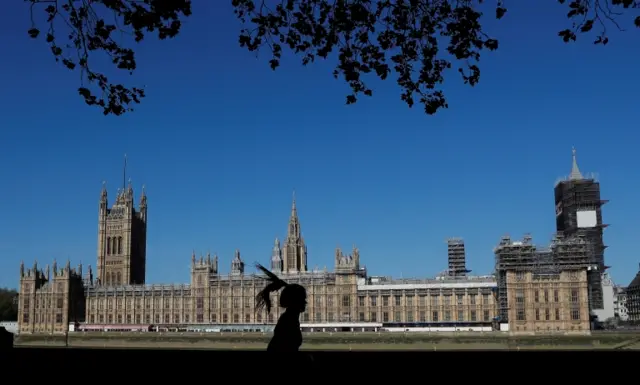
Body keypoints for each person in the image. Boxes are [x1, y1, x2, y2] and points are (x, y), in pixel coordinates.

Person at [255, 263, 307, 352]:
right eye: (303, 299)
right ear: (294, 301)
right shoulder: (289, 320)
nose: (306, 302)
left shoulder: (290, 318)